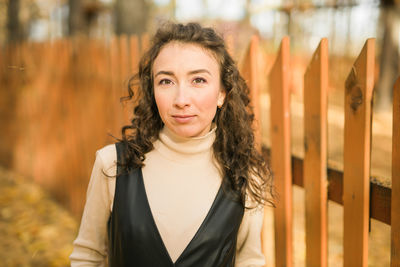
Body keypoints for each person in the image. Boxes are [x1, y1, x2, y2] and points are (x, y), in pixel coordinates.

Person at [70, 22, 274, 267]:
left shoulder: (245, 175)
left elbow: (249, 261)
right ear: (152, 90)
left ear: (222, 93)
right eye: (166, 81)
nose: (181, 100)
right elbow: (87, 256)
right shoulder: (112, 165)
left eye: (198, 80)